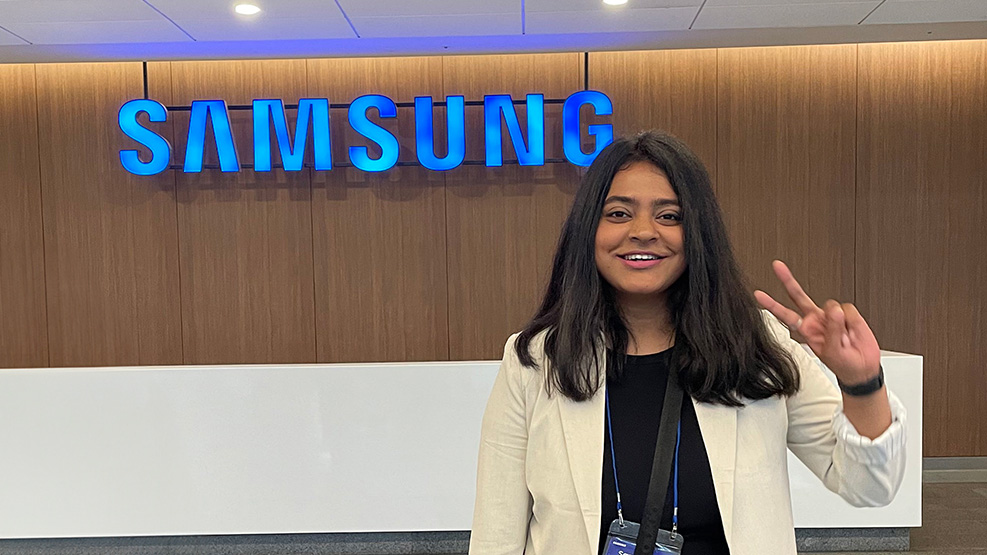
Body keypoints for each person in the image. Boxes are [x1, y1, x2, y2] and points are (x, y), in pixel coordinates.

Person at [468, 131, 906, 555]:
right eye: (619, 213)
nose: (643, 231)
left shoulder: (755, 346)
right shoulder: (535, 360)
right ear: (588, 229)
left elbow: (869, 486)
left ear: (697, 232)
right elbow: (496, 533)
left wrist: (861, 383)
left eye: (669, 215)